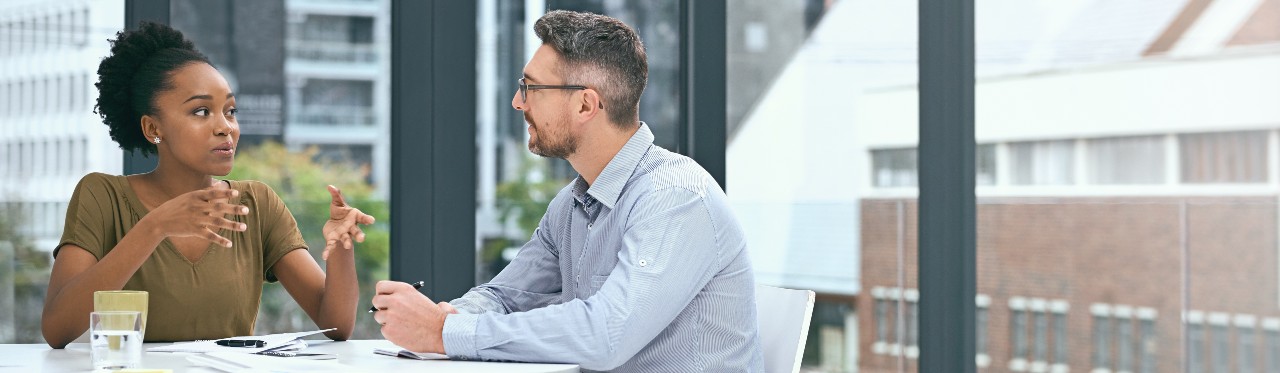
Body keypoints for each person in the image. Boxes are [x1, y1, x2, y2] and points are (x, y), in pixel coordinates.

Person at [371, 10, 763, 371]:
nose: (517, 102)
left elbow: (606, 334)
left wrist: (442, 331)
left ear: (585, 105)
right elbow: (506, 297)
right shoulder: (573, 204)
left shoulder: (674, 197)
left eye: (531, 88)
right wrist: (443, 318)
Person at [41, 22, 375, 348]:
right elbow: (57, 330)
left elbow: (336, 325)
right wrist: (154, 227)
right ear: (152, 128)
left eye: (230, 111)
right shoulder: (103, 196)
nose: (225, 127)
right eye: (201, 111)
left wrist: (341, 247)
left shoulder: (256, 203)